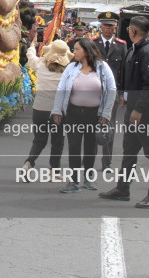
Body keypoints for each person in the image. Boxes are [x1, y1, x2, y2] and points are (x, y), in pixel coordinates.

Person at [99, 15, 149, 208]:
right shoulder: (135, 50)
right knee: (129, 151)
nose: (128, 32)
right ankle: (123, 188)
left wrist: (138, 109)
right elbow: (131, 77)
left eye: (129, 30)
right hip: (133, 108)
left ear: (134, 32)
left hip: (145, 112)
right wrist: (124, 96)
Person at [51, 38, 116, 193]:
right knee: (73, 146)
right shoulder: (71, 68)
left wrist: (107, 113)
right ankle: (73, 182)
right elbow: (61, 89)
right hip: (73, 113)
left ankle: (88, 179)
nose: (74, 52)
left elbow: (112, 89)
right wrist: (57, 110)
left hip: (94, 114)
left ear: (87, 51)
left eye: (77, 49)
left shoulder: (102, 67)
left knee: (90, 148)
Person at [21, 36, 71, 175]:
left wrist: (32, 45)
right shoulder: (68, 68)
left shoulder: (41, 63)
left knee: (39, 140)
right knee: (58, 141)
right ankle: (54, 170)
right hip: (59, 111)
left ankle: (29, 163)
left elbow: (30, 56)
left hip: (40, 109)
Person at [95, 11, 126, 170]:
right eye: (106, 26)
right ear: (100, 26)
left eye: (111, 26)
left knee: (108, 125)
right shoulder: (93, 44)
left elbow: (124, 71)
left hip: (112, 93)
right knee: (91, 125)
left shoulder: (121, 46)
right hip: (93, 92)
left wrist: (123, 94)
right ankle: (89, 158)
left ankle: (106, 162)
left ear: (115, 27)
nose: (108, 29)